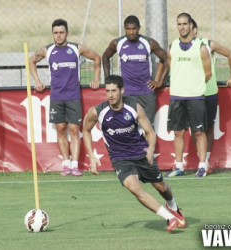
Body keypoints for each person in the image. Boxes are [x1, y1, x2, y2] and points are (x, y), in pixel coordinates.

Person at [83, 75, 185, 233]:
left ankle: (173, 207)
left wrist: (151, 148)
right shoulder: (97, 111)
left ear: (122, 91)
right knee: (133, 187)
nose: (110, 95)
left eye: (114, 91)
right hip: (120, 158)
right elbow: (85, 130)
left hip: (141, 153)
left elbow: (150, 132)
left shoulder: (134, 107)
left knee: (162, 187)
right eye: (107, 91)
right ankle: (169, 218)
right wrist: (91, 157)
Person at [29, 19, 101, 176]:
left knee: (75, 131)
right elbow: (31, 61)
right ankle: (66, 164)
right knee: (61, 130)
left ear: (67, 33)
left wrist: (96, 78)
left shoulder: (76, 48)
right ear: (52, 34)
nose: (59, 36)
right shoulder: (47, 50)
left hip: (73, 96)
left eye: (61, 32)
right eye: (55, 33)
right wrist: (37, 80)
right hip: (56, 97)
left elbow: (97, 57)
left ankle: (75, 165)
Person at [165, 13, 212, 178]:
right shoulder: (172, 47)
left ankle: (202, 166)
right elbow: (172, 68)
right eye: (179, 24)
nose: (182, 27)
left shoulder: (201, 47)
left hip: (195, 97)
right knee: (178, 132)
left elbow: (208, 74)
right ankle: (179, 166)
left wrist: (194, 86)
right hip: (177, 96)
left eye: (185, 24)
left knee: (199, 132)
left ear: (191, 26)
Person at [102, 15, 168, 126]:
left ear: (139, 28)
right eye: (128, 29)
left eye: (134, 29)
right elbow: (105, 57)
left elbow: (166, 58)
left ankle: (148, 144)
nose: (131, 32)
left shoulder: (149, 43)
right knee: (127, 128)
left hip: (146, 92)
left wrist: (160, 81)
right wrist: (108, 79)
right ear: (124, 29)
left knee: (148, 128)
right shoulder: (117, 43)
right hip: (127, 93)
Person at [190, 19, 231, 172]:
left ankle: (206, 161)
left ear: (195, 30)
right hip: (191, 93)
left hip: (209, 92)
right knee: (195, 129)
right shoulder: (181, 47)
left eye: (191, 28)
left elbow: (230, 54)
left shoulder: (209, 45)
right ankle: (200, 159)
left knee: (208, 127)